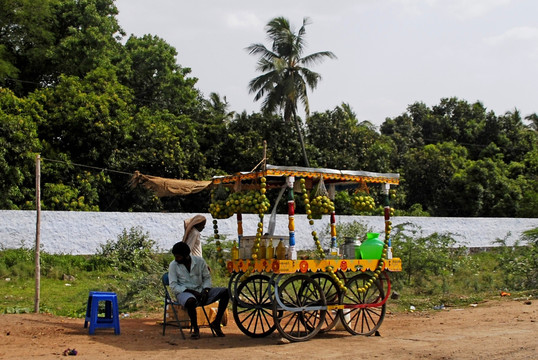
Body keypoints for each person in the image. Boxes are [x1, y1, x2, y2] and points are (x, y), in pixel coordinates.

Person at [168, 242, 229, 339]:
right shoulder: (173, 265)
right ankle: (196, 329)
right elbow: (173, 285)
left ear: (186, 255)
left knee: (225, 292)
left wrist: (205, 290)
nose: (176, 259)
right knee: (191, 301)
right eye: (175, 256)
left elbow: (207, 278)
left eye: (178, 257)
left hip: (201, 291)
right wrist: (192, 292)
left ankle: (216, 322)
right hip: (184, 293)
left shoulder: (200, 261)